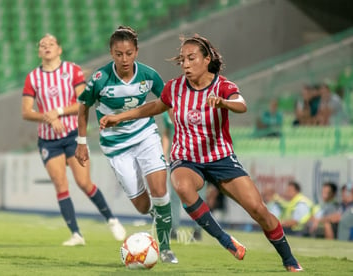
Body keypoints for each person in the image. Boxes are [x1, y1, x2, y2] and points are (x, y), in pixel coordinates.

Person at [99, 34, 303, 272]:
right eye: (182, 60)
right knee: (182, 187)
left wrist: (223, 103)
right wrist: (119, 117)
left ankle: (289, 260)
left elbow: (241, 103)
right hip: (186, 159)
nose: (185, 64)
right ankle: (225, 240)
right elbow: (154, 106)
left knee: (259, 210)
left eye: (191, 58)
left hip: (221, 158)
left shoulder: (222, 86)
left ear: (206, 60)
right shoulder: (174, 88)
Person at [75, 26, 178, 264]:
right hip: (116, 147)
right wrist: (82, 142)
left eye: (129, 53)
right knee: (142, 207)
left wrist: (175, 129)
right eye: (119, 54)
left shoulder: (149, 75)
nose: (124, 59)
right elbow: (83, 107)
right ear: (111, 53)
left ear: (136, 52)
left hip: (145, 136)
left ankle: (165, 248)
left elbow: (167, 102)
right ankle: (159, 216)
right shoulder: (100, 79)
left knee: (160, 191)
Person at [21, 33, 126, 246]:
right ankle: (76, 234)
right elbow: (26, 112)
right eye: (42, 45)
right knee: (60, 184)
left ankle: (111, 219)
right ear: (39, 52)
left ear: (59, 49)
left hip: (72, 136)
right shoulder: (33, 77)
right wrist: (48, 117)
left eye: (51, 43)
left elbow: (82, 102)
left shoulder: (72, 71)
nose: (46, 46)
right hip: (48, 140)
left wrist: (57, 112)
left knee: (84, 182)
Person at [161, 110, 204, 241]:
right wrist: (163, 154)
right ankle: (173, 229)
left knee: (199, 195)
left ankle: (199, 229)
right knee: (174, 195)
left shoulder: (196, 109)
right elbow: (167, 133)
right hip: (177, 159)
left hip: (198, 158)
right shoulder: (166, 112)